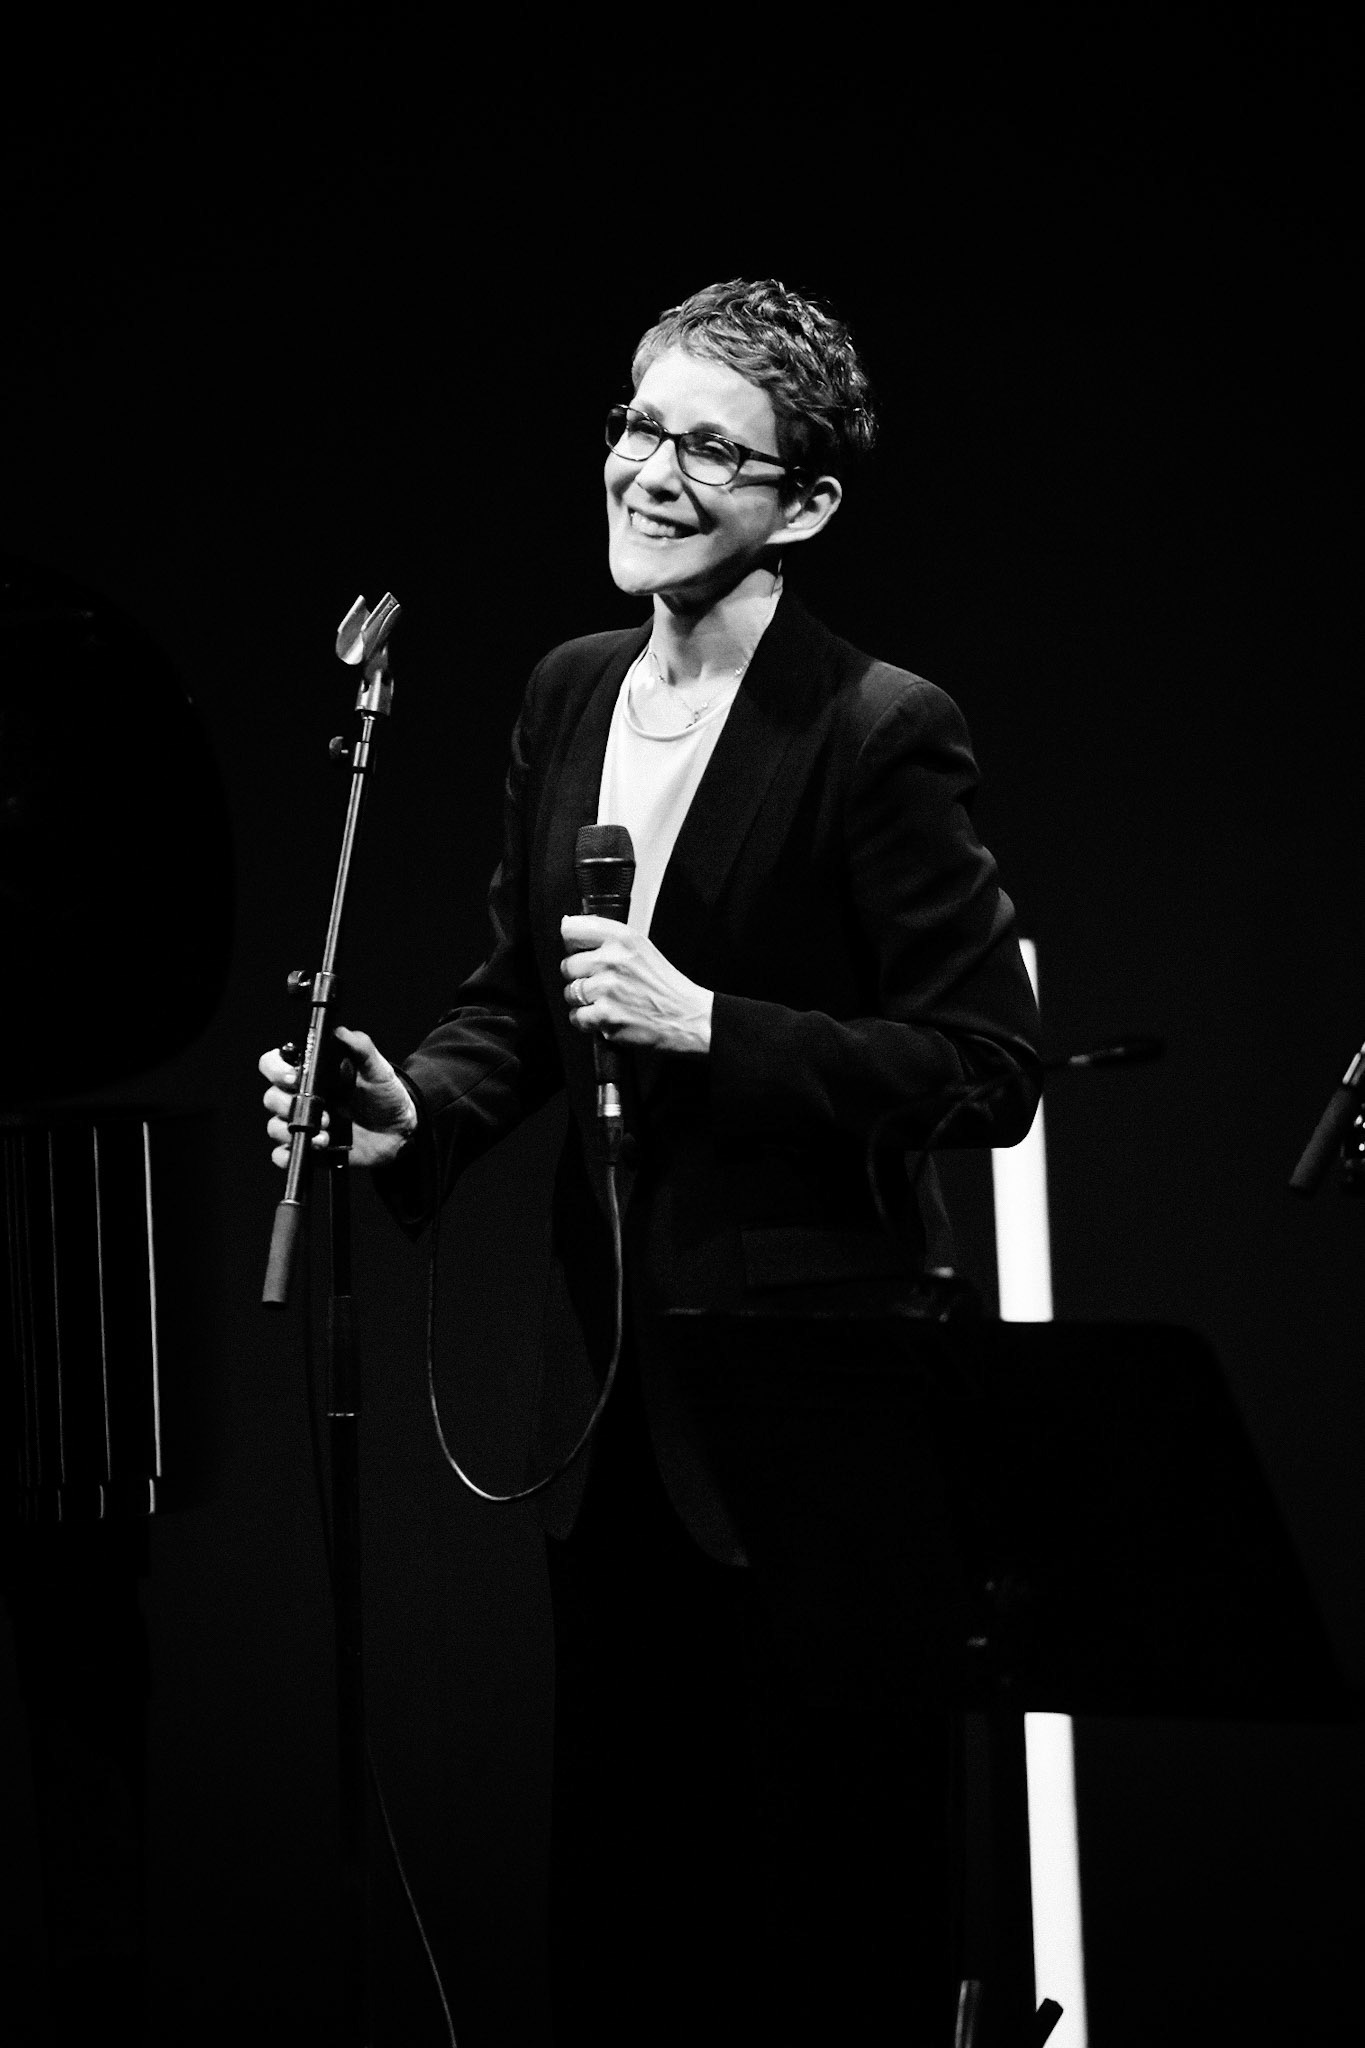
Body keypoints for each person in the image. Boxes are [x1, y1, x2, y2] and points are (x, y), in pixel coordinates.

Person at [262, 278, 1042, 2045]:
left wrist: (715, 1027)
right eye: (639, 427)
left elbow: (987, 1069)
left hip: (815, 1417)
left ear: (805, 503)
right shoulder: (566, 694)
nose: (654, 473)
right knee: (631, 1910)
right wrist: (419, 1110)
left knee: (829, 1917)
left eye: (710, 446)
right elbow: (519, 1006)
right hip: (608, 1409)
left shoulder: (875, 729)